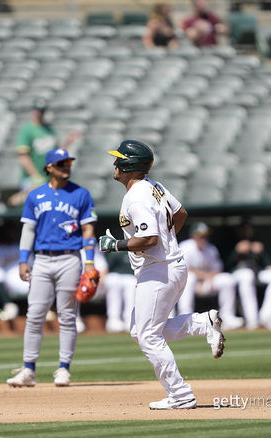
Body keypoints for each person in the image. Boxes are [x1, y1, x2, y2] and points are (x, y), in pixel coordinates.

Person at [98, 139, 225, 410]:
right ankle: (203, 323)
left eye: (119, 159)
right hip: (170, 265)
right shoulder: (154, 186)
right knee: (139, 331)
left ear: (129, 165)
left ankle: (180, 394)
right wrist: (169, 242)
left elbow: (149, 238)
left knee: (148, 336)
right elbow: (181, 213)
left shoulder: (137, 196)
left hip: (159, 270)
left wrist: (116, 245)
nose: (115, 164)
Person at [6, 147, 97, 388]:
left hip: (69, 258)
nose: (66, 166)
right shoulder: (35, 195)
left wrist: (89, 262)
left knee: (67, 316)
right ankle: (29, 370)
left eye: (68, 162)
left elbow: (88, 230)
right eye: (60, 163)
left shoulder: (81, 194)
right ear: (49, 167)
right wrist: (23, 259)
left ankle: (64, 368)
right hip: (42, 259)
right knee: (35, 314)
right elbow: (29, 229)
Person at [8, 100, 80, 206]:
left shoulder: (49, 130)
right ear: (33, 111)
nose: (39, 114)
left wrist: (67, 142)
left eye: (41, 111)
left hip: (48, 177)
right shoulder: (27, 131)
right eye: (37, 111)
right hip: (32, 179)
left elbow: (55, 152)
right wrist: (35, 176)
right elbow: (23, 157)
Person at [178, 222, 245, 331]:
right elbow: (183, 268)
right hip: (188, 284)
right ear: (193, 236)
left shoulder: (210, 248)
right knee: (190, 278)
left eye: (205, 236)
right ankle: (185, 318)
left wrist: (208, 278)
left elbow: (218, 268)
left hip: (206, 282)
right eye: (200, 236)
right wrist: (205, 276)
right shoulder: (185, 246)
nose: (203, 239)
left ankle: (227, 318)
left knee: (227, 279)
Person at [227, 224, 271, 330]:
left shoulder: (254, 241)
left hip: (257, 272)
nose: (246, 232)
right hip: (237, 273)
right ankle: (252, 320)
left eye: (248, 229)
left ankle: (267, 316)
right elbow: (225, 264)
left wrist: (261, 253)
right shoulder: (229, 240)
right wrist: (236, 251)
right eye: (243, 229)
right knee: (247, 275)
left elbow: (268, 263)